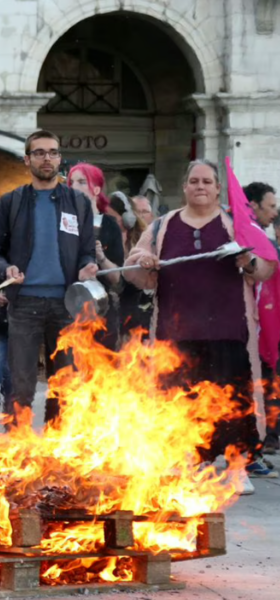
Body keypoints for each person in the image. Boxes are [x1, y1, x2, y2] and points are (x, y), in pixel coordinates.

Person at [124, 159, 278, 493]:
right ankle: (196, 463)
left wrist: (247, 262)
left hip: (228, 330)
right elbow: (133, 269)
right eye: (194, 181)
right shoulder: (163, 225)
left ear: (218, 188)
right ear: (185, 186)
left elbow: (265, 266)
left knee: (235, 402)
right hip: (176, 333)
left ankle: (238, 468)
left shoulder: (236, 223)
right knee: (183, 401)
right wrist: (144, 262)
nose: (200, 187)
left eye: (207, 182)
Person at [0, 130, 97, 422]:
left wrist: (87, 265)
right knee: (21, 386)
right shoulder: (11, 202)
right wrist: (5, 269)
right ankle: (20, 449)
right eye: (39, 152)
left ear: (60, 158)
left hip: (67, 303)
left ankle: (56, 450)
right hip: (24, 303)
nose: (46, 158)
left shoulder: (78, 202)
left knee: (65, 386)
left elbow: (86, 250)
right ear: (27, 159)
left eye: (52, 152)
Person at [67, 163, 124, 350]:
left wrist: (101, 258)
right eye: (71, 182)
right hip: (67, 309)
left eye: (82, 182)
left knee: (102, 372)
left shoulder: (109, 225)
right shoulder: (62, 221)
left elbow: (116, 278)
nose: (75, 187)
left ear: (96, 189)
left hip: (101, 310)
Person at [243, 181, 280, 455]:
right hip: (250, 328)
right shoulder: (248, 239)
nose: (274, 213)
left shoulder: (263, 241)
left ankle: (263, 441)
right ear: (253, 206)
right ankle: (255, 445)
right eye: (270, 206)